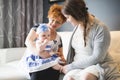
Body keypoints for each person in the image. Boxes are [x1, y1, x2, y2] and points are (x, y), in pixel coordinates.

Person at [61, 0, 120, 80]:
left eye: (68, 17)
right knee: (68, 78)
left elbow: (97, 58)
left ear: (76, 14)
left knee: (86, 77)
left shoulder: (100, 28)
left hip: (95, 65)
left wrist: (71, 66)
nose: (67, 21)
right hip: (78, 67)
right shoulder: (77, 27)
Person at [25, 4, 66, 80]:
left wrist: (60, 57)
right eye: (52, 19)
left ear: (62, 24)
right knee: (38, 73)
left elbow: (61, 55)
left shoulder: (58, 38)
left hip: (50, 62)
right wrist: (40, 53)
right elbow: (28, 41)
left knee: (53, 72)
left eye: (58, 22)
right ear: (49, 17)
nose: (54, 23)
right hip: (36, 60)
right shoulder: (38, 28)